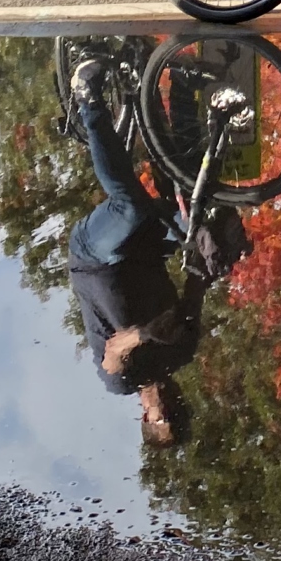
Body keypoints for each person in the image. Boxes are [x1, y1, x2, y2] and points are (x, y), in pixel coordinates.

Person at [61, 58, 216, 447]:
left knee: (129, 206)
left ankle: (87, 98)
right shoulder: (182, 351)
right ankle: (182, 88)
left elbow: (115, 349)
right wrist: (214, 259)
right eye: (177, 408)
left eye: (163, 414)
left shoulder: (120, 381)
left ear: (145, 415)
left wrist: (145, 333)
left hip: (97, 261)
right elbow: (196, 285)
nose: (168, 401)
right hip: (148, 252)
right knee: (201, 209)